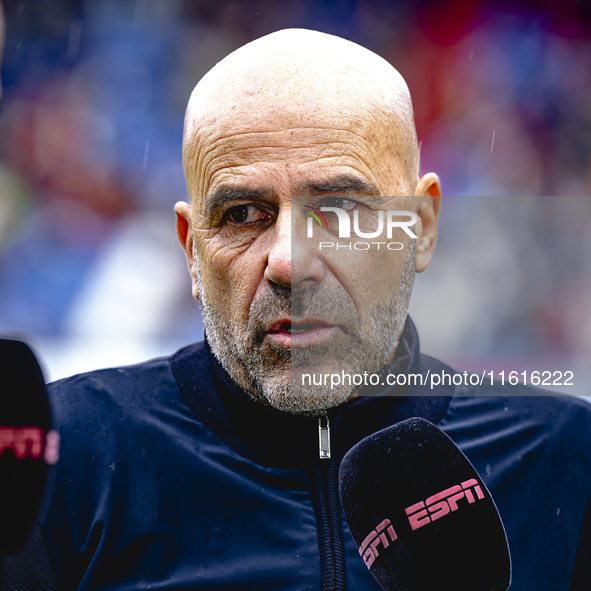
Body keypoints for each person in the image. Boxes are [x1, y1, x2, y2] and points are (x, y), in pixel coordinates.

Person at [3, 28, 591, 591]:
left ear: (422, 227)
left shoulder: (567, 458)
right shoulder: (63, 458)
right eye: (243, 215)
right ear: (190, 248)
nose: (288, 262)